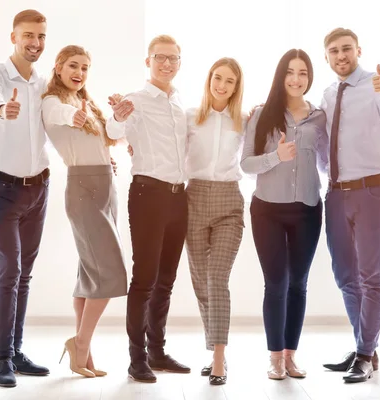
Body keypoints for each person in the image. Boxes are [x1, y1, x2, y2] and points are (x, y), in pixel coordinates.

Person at [320, 27, 380, 383]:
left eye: (346, 49)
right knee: (345, 276)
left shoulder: (378, 83)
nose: (341, 55)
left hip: (373, 191)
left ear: (358, 50)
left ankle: (363, 353)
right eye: (333, 51)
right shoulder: (329, 94)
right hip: (336, 194)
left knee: (372, 276)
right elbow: (322, 144)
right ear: (326, 57)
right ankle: (366, 347)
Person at [106, 34, 190, 383]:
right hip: (147, 195)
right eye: (160, 57)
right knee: (144, 279)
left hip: (178, 196)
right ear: (148, 61)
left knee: (166, 280)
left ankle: (157, 351)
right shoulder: (134, 100)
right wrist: (116, 117)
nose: (167, 64)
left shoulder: (180, 105)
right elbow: (113, 131)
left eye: (173, 58)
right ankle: (136, 358)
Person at [41, 45, 128, 378]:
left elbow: (110, 140)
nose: (80, 72)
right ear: (59, 67)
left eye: (86, 67)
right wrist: (72, 114)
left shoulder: (87, 101)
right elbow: (56, 116)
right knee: (110, 273)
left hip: (106, 187)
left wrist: (118, 116)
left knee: (90, 276)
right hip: (85, 191)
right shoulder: (55, 102)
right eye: (74, 66)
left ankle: (84, 353)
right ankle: (79, 344)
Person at [241, 49, 327, 380]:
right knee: (276, 282)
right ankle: (274, 356)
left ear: (309, 77)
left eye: (303, 72)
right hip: (268, 211)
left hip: (307, 210)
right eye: (290, 72)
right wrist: (275, 156)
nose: (296, 79)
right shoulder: (261, 114)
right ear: (281, 75)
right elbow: (246, 164)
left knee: (299, 284)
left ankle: (291, 355)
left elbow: (325, 160)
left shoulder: (319, 117)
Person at [0, 9, 50, 388]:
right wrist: (3, 107)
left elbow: (60, 121)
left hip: (38, 187)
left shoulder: (44, 82)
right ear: (13, 37)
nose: (35, 43)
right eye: (28, 35)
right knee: (9, 271)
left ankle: (17, 350)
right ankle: (2, 358)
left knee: (24, 275)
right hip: (2, 189)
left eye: (40, 36)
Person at [184, 57, 246, 386]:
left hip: (228, 202)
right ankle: (213, 349)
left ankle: (220, 359)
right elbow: (170, 152)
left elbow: (253, 159)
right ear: (209, 79)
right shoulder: (190, 117)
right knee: (200, 282)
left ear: (237, 87)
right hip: (193, 199)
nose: (221, 85)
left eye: (230, 81)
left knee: (217, 279)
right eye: (217, 78)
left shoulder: (245, 120)